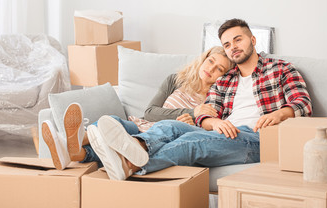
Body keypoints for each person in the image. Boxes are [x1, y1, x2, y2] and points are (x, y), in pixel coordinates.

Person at [85, 18, 313, 180]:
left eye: (238, 40)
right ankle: (134, 147)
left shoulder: (281, 69)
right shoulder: (226, 80)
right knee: (169, 127)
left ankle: (130, 164)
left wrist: (279, 113)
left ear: (252, 40)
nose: (233, 47)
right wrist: (215, 122)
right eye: (227, 44)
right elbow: (204, 113)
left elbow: (301, 103)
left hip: (259, 138)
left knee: (193, 144)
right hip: (224, 132)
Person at [42, 46, 233, 170]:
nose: (211, 69)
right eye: (211, 61)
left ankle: (71, 147)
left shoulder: (215, 101)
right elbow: (150, 112)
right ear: (203, 59)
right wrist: (191, 112)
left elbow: (204, 137)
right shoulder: (176, 80)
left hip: (162, 138)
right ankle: (75, 143)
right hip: (144, 123)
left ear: (223, 76)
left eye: (219, 69)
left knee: (116, 145)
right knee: (113, 123)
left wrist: (191, 123)